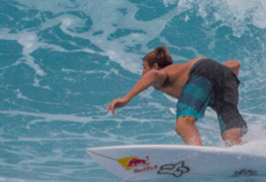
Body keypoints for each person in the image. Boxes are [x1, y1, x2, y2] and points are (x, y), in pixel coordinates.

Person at [106, 46, 248, 147]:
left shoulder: (163, 74)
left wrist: (126, 98)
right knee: (231, 134)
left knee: (183, 124)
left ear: (155, 65)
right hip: (226, 75)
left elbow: (152, 75)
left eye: (144, 67)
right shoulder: (181, 69)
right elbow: (235, 65)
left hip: (202, 71)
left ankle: (200, 155)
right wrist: (224, 85)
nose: (143, 72)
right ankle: (241, 158)